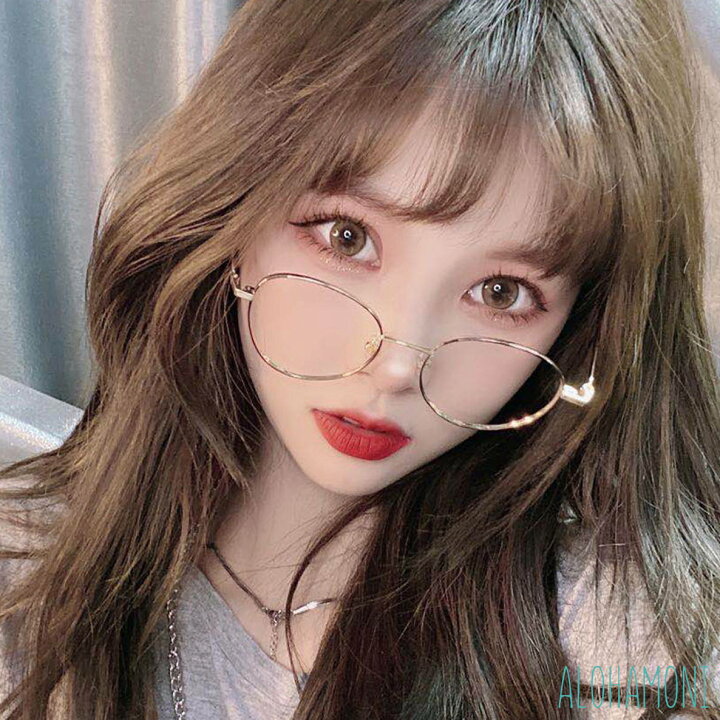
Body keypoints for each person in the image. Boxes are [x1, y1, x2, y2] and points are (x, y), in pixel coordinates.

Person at [1, 0, 719, 718]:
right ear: (233, 207)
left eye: (500, 293)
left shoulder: (617, 629)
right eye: (347, 237)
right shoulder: (27, 574)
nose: (398, 366)